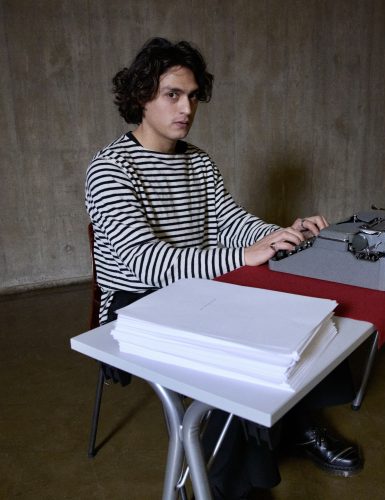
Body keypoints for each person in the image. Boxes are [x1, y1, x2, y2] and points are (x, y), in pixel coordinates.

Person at [85, 37, 362, 499]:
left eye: (193, 96)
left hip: (197, 288)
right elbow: (142, 260)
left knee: (296, 310)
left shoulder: (198, 160)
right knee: (238, 352)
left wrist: (283, 234)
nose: (187, 108)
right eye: (172, 94)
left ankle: (295, 424)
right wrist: (243, 256)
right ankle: (227, 483)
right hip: (134, 303)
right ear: (141, 96)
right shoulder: (110, 168)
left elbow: (232, 223)